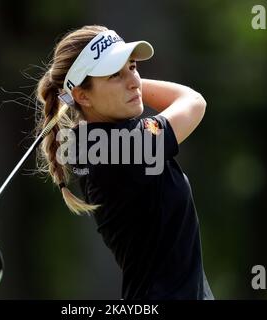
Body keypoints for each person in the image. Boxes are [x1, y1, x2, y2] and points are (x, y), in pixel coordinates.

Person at [35, 25, 214, 300]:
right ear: (82, 95)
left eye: (133, 67)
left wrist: (121, 78)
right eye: (115, 74)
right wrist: (129, 81)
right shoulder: (124, 147)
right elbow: (193, 101)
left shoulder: (93, 142)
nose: (133, 81)